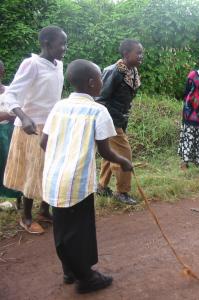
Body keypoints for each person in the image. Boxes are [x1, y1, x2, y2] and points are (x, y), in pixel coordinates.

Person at [40, 59, 133, 294]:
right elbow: (106, 151)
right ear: (92, 83)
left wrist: (61, 157)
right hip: (77, 182)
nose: (103, 81)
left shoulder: (59, 106)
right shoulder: (98, 111)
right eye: (100, 77)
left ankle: (69, 272)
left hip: (53, 179)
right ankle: (86, 278)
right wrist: (124, 161)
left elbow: (44, 142)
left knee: (63, 229)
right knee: (79, 232)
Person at [3, 25, 67, 234]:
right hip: (32, 128)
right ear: (47, 44)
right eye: (61, 44)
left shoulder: (58, 65)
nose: (64, 48)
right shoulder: (31, 64)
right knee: (34, 171)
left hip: (52, 126)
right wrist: (24, 117)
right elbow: (10, 95)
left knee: (51, 169)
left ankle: (43, 211)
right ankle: (26, 217)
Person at [96, 39, 143, 205]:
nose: (141, 56)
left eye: (141, 53)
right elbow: (100, 98)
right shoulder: (114, 72)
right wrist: (101, 124)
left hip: (121, 119)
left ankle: (101, 186)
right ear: (126, 54)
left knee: (111, 153)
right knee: (124, 154)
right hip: (111, 120)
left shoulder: (132, 72)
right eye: (137, 53)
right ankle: (122, 192)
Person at [0, 60, 22, 206]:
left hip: (10, 131)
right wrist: (9, 115)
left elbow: (20, 111)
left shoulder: (9, 91)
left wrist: (7, 115)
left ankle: (18, 198)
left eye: (0, 69)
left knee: (14, 163)